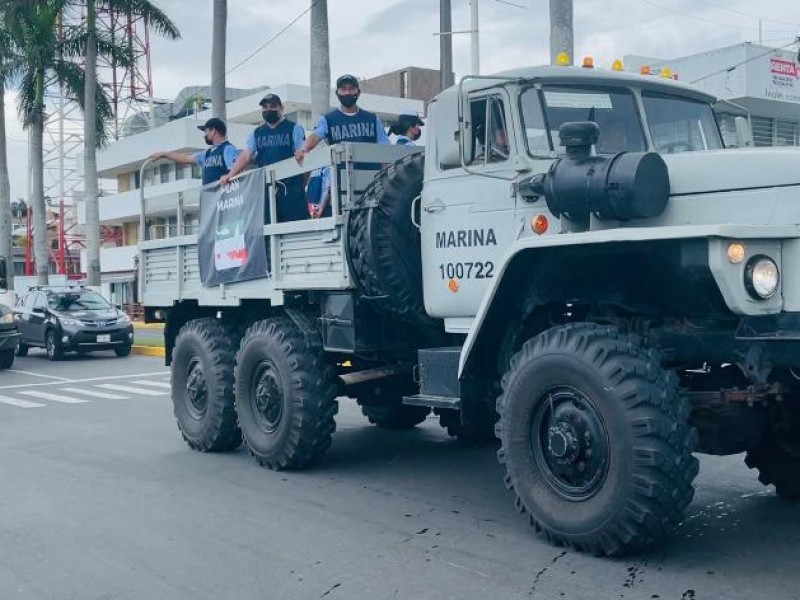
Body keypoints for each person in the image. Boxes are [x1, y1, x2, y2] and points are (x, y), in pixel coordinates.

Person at [219, 94, 307, 222]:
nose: (268, 109)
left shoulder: (294, 128)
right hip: (266, 188)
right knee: (267, 227)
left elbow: (303, 156)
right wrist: (230, 175)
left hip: (291, 189)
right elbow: (246, 155)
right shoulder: (256, 133)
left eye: (272, 106)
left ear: (281, 108)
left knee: (295, 228)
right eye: (265, 107)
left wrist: (301, 185)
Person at [294, 74, 390, 163]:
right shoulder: (328, 119)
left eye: (352, 88)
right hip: (339, 176)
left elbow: (385, 148)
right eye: (343, 89)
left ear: (358, 92)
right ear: (337, 93)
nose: (348, 92)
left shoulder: (372, 119)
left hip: (370, 176)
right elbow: (315, 135)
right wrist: (303, 149)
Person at [150, 117, 237, 186]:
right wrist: (165, 154)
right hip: (210, 201)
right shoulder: (207, 153)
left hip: (224, 200)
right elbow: (186, 158)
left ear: (213, 131)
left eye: (206, 131)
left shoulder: (227, 148)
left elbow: (235, 170)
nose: (204, 135)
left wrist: (228, 176)